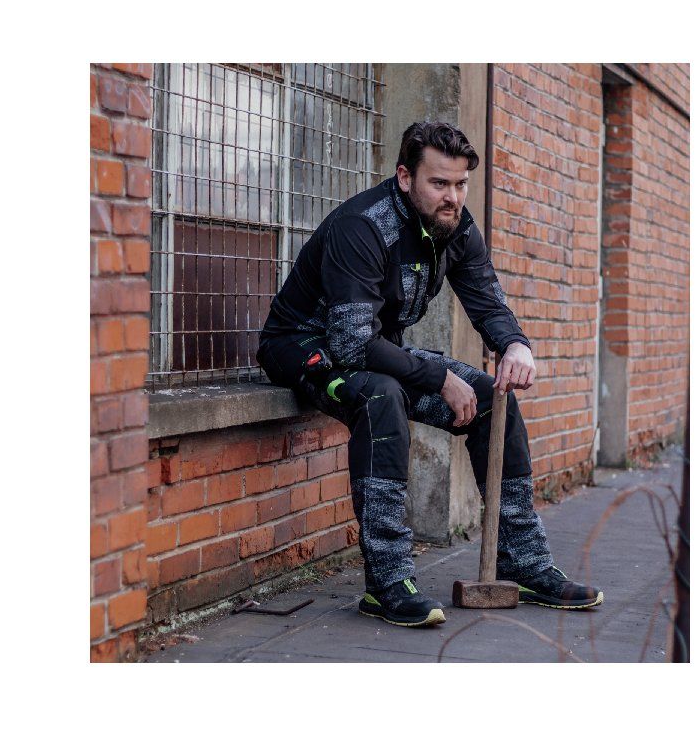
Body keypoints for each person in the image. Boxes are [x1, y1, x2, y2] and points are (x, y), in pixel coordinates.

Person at [257, 121, 602, 627]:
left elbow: (487, 300)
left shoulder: (453, 227)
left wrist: (515, 345)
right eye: (439, 183)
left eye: (460, 184)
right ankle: (388, 583)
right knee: (381, 396)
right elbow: (350, 343)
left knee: (490, 399)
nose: (452, 197)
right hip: (307, 348)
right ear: (405, 177)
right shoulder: (363, 227)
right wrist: (438, 377)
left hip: (374, 348)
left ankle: (523, 562)